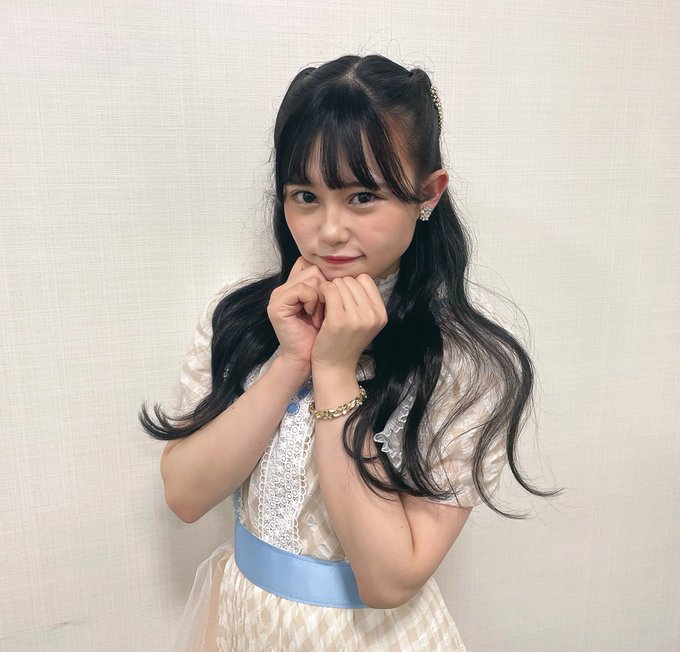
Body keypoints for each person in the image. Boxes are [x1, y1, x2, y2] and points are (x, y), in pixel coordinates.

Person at [139, 53, 559, 651]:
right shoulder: (244, 317)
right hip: (244, 622)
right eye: (305, 195)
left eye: (362, 196)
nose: (328, 230)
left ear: (428, 193)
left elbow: (389, 580)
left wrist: (335, 371)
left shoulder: (466, 360)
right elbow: (184, 496)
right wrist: (292, 360)